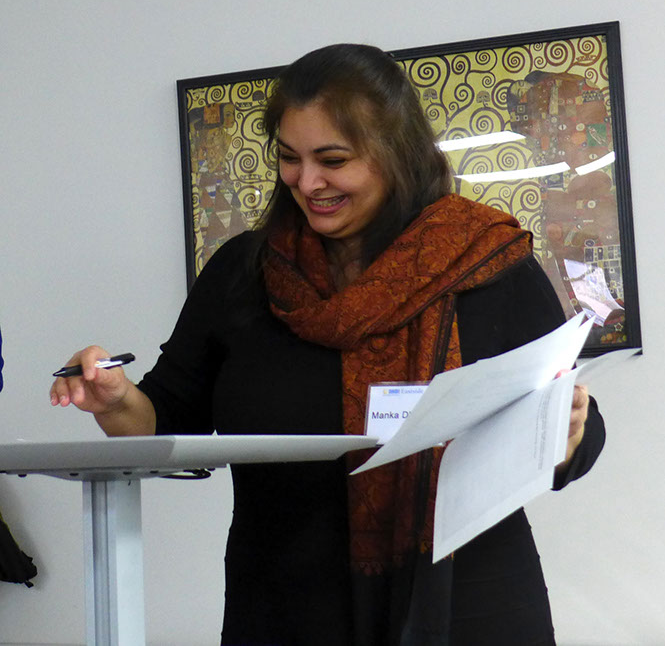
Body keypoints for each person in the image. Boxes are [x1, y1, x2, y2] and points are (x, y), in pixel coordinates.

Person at [50, 44, 605, 646]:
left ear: (397, 152)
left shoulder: (489, 265)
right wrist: (114, 398)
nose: (307, 182)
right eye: (289, 158)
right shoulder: (245, 273)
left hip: (469, 610)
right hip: (284, 612)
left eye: (332, 160)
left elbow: (572, 439)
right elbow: (164, 417)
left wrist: (568, 432)